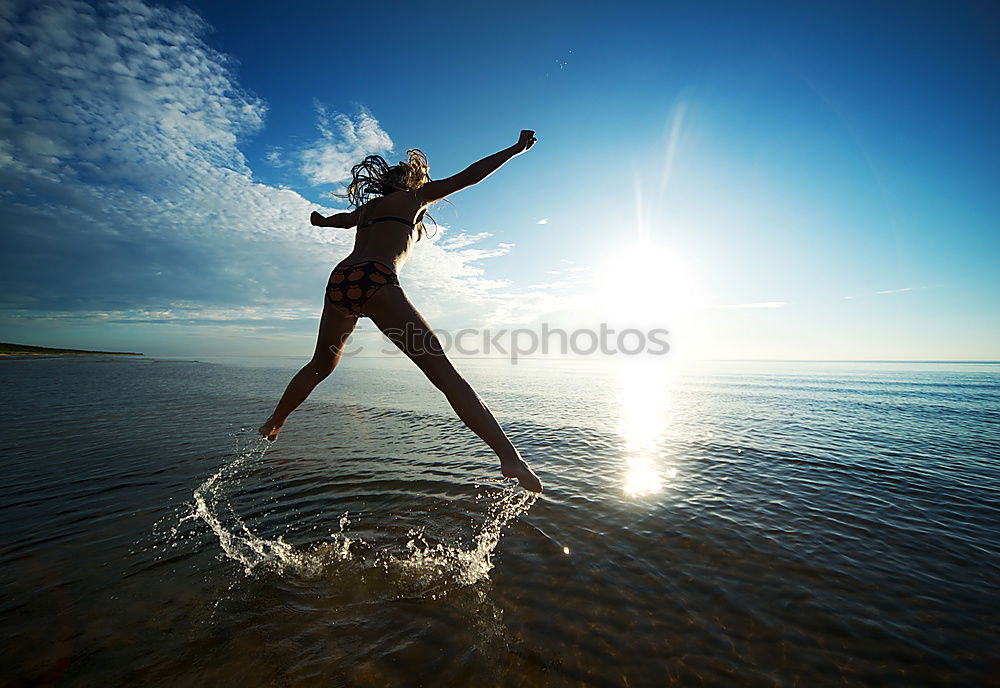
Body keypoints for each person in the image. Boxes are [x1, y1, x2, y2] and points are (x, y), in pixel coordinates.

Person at [258, 130, 543, 492]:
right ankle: (510, 458)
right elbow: (471, 175)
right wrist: (516, 149)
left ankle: (275, 421)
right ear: (411, 181)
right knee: (445, 375)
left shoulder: (367, 210)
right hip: (377, 280)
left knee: (320, 365)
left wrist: (320, 220)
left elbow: (339, 221)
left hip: (341, 280)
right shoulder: (415, 198)